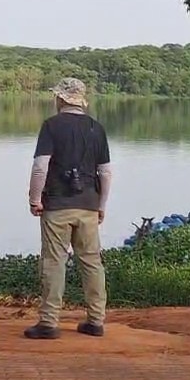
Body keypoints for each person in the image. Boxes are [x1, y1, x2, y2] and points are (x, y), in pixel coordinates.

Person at [24, 77, 112, 340]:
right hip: (88, 204)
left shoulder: (51, 126)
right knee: (91, 262)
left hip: (57, 205)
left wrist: (34, 198)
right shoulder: (97, 129)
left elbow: (41, 166)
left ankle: (49, 322)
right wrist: (101, 205)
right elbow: (105, 172)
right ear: (81, 100)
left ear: (61, 99)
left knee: (54, 261)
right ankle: (96, 321)